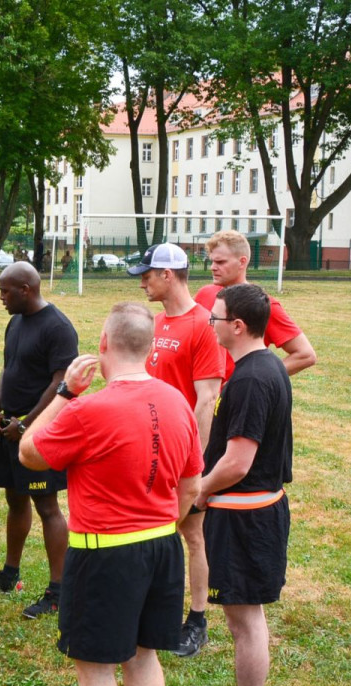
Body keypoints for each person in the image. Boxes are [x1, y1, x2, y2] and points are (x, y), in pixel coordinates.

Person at [19, 302, 202, 686]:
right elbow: (190, 485)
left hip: (105, 553)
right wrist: (164, 522)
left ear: (102, 346)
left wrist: (63, 392)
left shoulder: (87, 408)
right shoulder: (177, 401)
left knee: (97, 668)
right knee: (144, 659)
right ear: (148, 346)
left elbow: (29, 451)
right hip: (163, 546)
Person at [188, 284, 292, 686]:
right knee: (242, 618)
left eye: (215, 317)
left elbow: (237, 462)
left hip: (246, 517)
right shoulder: (265, 363)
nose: (209, 324)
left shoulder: (251, 378)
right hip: (251, 513)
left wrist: (200, 493)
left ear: (237, 326)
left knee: (245, 620)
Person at [129, 243, 225, 659]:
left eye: (147, 274)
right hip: (150, 446)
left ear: (169, 275)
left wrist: (195, 463)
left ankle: (197, 620)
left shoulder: (203, 325)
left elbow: (206, 399)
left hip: (183, 453)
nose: (143, 282)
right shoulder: (155, 322)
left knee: (192, 534)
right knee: (151, 528)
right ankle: (152, 609)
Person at [0, 262, 77, 619]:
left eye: (5, 291)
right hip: (10, 427)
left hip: (39, 432)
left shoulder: (58, 328)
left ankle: (58, 591)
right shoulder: (15, 322)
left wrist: (28, 424)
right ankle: (9, 574)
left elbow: (61, 384)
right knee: (16, 500)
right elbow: (7, 369)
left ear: (26, 290)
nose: (0, 297)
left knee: (47, 507)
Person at [194, 229, 316, 378]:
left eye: (220, 262)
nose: (213, 267)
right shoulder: (204, 294)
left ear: (242, 261)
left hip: (234, 397)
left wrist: (251, 379)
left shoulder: (261, 303)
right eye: (212, 261)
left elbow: (305, 355)